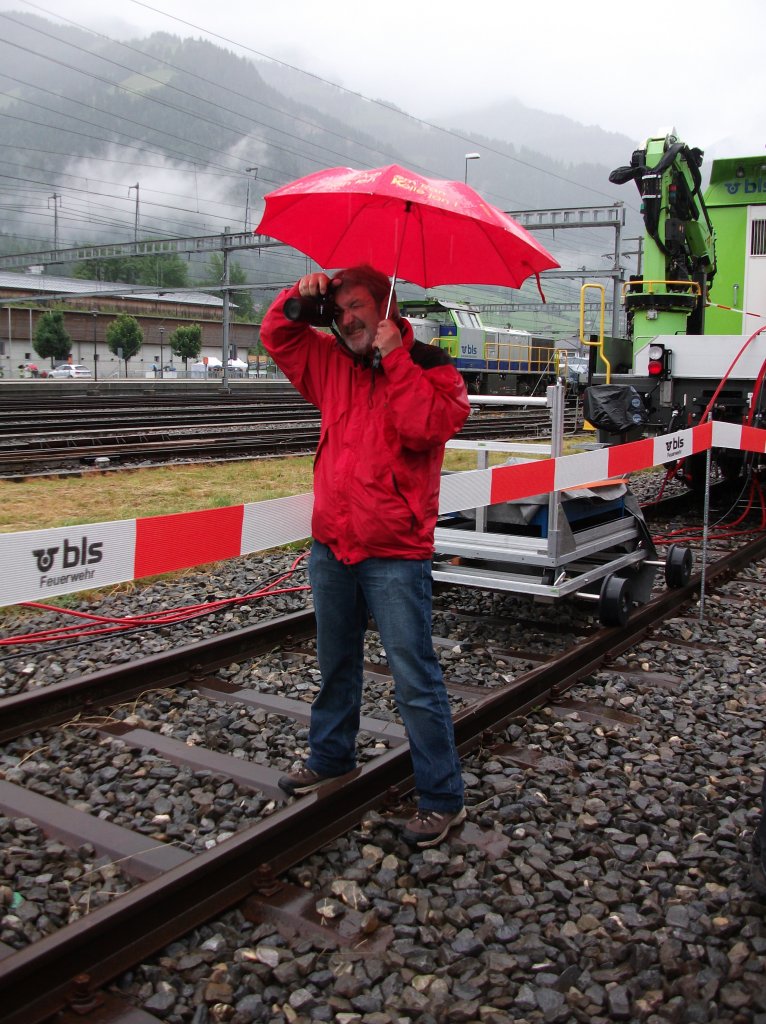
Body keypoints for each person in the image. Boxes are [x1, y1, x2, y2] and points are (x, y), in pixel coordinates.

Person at [260, 264, 470, 847]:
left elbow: (424, 428)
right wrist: (296, 294)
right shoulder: (330, 363)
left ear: (387, 307)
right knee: (336, 665)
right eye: (341, 307)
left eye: (360, 306)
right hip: (333, 544)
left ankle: (441, 798)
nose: (349, 317)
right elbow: (276, 335)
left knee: (414, 680)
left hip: (395, 553)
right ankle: (331, 758)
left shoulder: (432, 367)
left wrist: (394, 358)